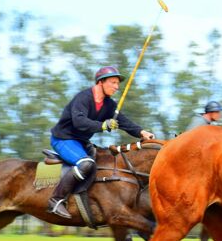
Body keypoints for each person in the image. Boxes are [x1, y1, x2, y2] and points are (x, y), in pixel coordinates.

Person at [48, 66, 155, 219]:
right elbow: (79, 122)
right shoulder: (83, 98)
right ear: (100, 82)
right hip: (63, 139)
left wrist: (141, 132)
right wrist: (103, 125)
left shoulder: (109, 105)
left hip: (82, 142)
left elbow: (123, 122)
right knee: (86, 164)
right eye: (113, 82)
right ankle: (56, 200)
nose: (117, 87)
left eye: (118, 84)